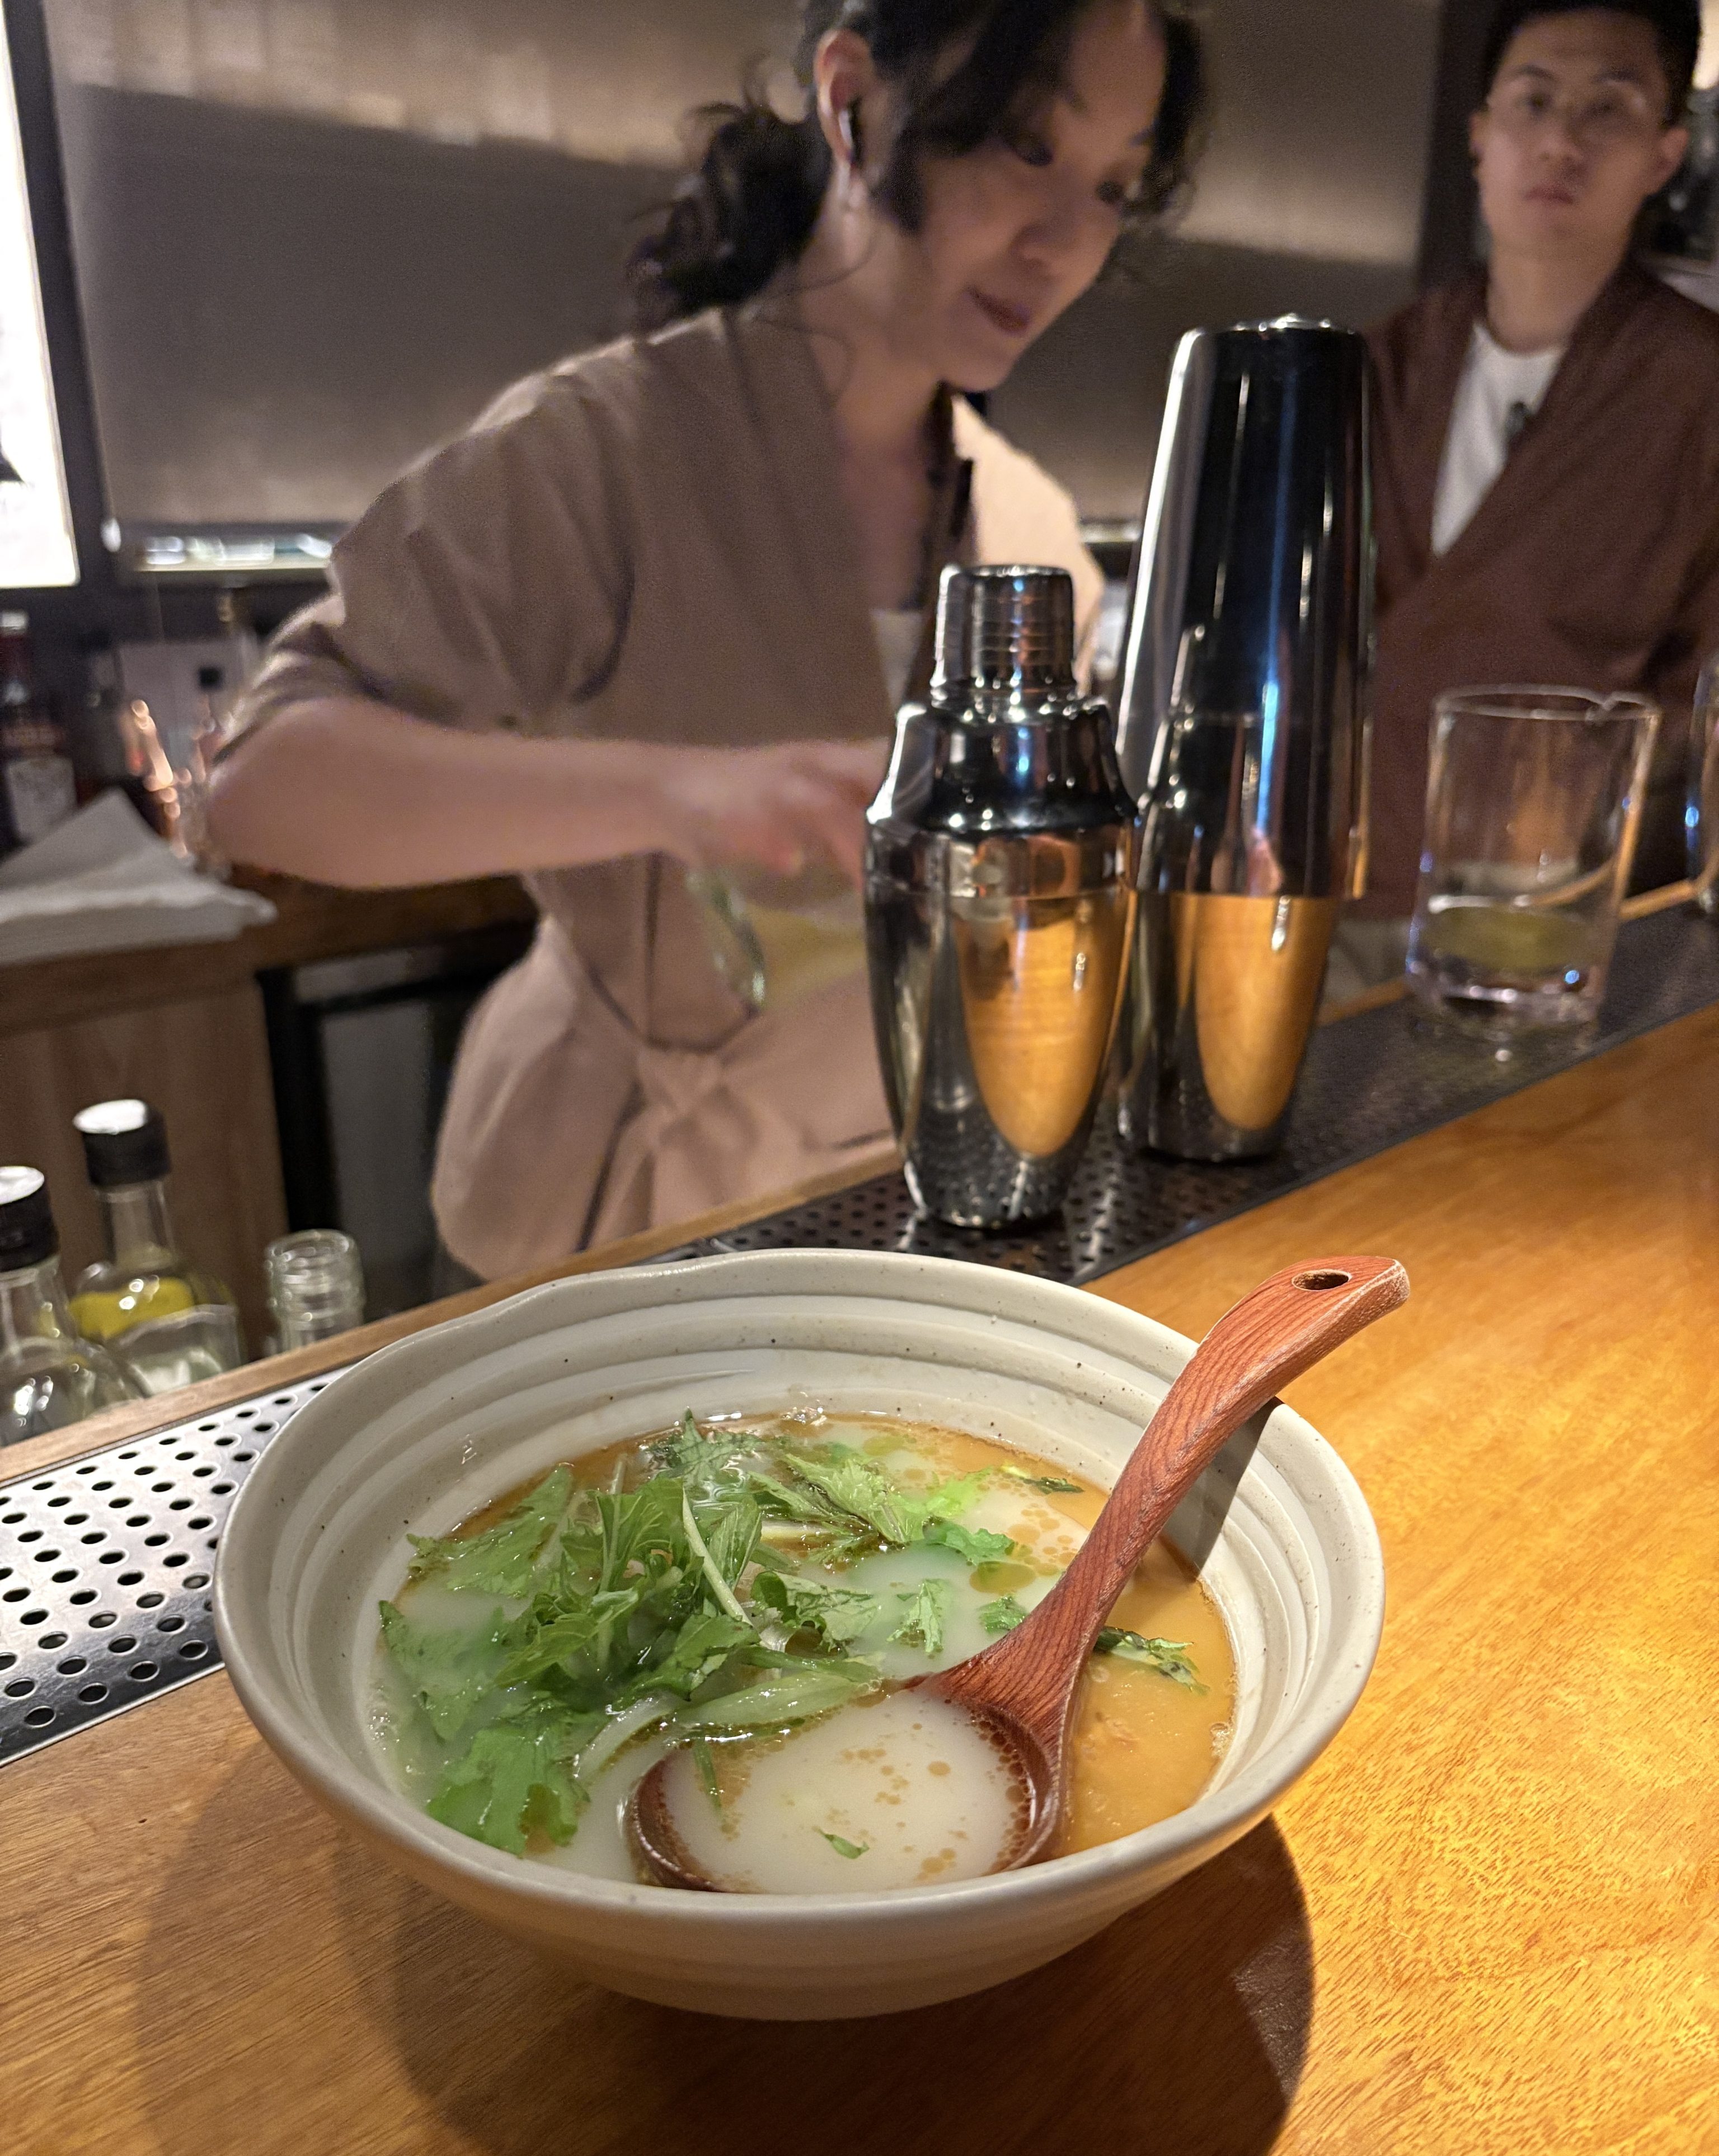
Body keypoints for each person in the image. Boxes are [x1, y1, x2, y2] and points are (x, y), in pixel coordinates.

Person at [208, 0, 1204, 1279]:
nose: (1064, 241)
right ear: (855, 103)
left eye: (1114, 186)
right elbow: (262, 784)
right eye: (1022, 146)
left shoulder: (1029, 523)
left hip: (876, 1208)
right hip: (610, 1207)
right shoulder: (611, 445)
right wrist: (677, 793)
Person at [1359, 0, 1719, 933]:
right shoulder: (1382, 364)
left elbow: (1703, 697)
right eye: (1532, 101)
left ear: (1664, 156)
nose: (1561, 141)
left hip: (1556, 917)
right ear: (1480, 137)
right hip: (1342, 887)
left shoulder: (1697, 385)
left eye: (1609, 108)